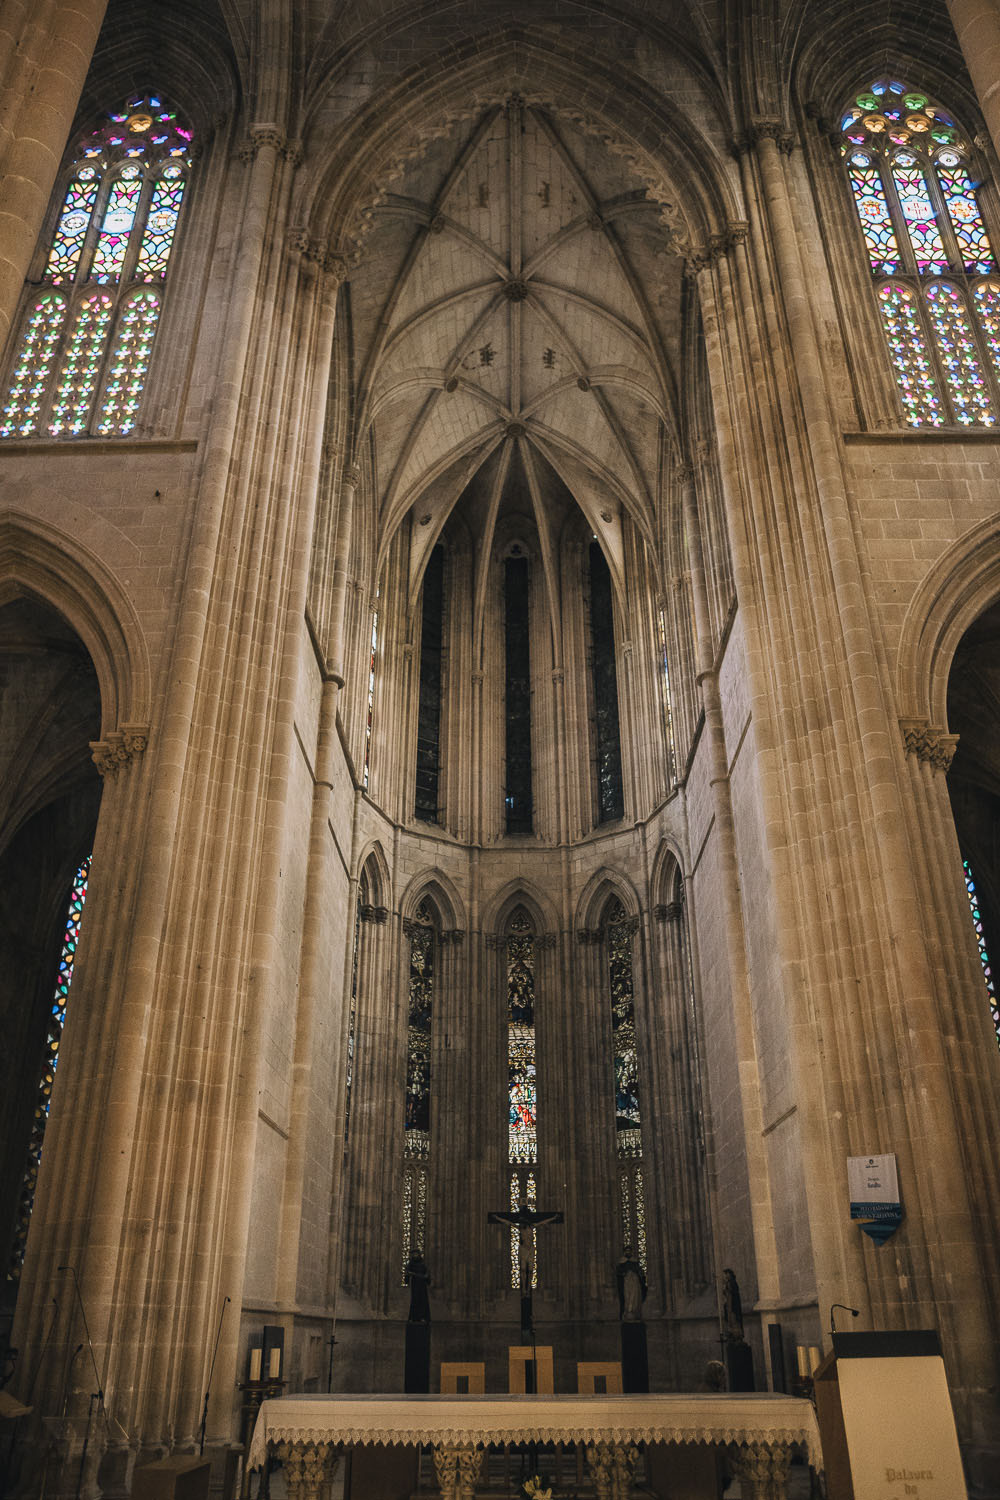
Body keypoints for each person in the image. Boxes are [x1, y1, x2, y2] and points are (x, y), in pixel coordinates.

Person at [615, 1245, 646, 1321]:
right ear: (624, 1252)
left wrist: (639, 1273)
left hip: (634, 1281)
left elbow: (639, 1271)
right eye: (626, 1251)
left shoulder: (634, 1261)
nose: (628, 1252)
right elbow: (619, 1272)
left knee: (635, 1295)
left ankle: (634, 1311)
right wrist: (624, 1272)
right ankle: (627, 1311)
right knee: (627, 1296)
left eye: (629, 1251)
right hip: (626, 1281)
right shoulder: (621, 1261)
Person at [404, 1251, 431, 1323]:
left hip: (422, 1285)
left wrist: (427, 1277)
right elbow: (407, 1273)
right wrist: (408, 1276)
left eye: (416, 1254)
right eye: (414, 1254)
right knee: (415, 1300)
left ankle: (423, 1317)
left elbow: (427, 1274)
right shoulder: (411, 1264)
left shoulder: (423, 1264)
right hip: (415, 1284)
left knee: (423, 1300)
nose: (415, 1255)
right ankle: (413, 1317)